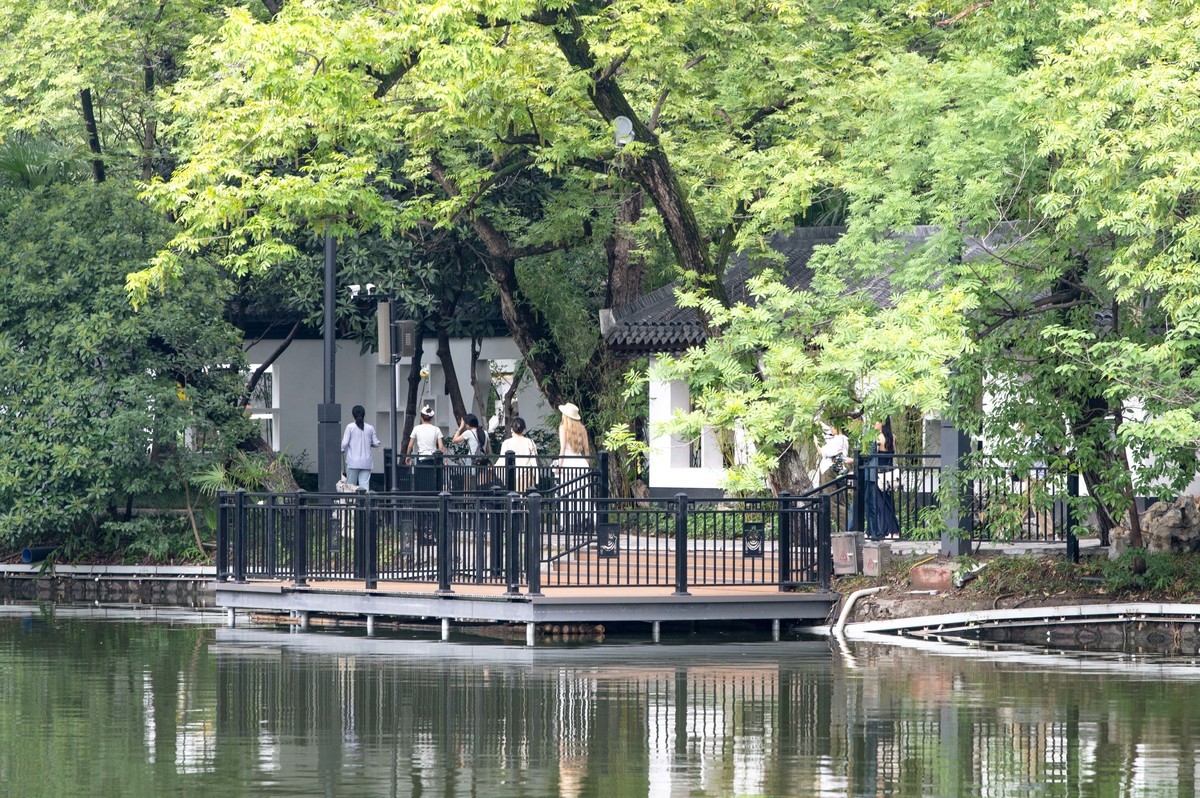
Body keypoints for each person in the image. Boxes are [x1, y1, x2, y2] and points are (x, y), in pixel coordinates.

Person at [557, 402, 593, 535]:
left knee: (566, 493)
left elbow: (562, 449)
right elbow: (587, 449)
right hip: (580, 463)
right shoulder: (582, 429)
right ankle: (584, 521)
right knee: (582, 494)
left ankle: (566, 523)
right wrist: (586, 463)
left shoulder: (563, 428)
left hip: (567, 463)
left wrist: (559, 466)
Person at [865, 418, 901, 540]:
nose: (874, 424)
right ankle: (890, 530)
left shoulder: (878, 438)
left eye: (876, 421)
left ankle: (890, 530)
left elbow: (871, 454)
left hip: (879, 474)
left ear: (881, 423)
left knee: (880, 504)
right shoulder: (892, 437)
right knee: (888, 502)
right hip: (889, 472)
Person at [406, 404, 446, 492]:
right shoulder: (436, 429)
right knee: (433, 480)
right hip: (433, 458)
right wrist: (445, 459)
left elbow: (410, 445)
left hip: (421, 457)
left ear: (421, 417)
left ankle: (422, 497)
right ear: (432, 418)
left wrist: (408, 456)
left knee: (421, 480)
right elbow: (441, 447)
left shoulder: (416, 428)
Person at [340, 405, 381, 491]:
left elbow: (345, 443)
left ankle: (351, 500)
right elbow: (377, 443)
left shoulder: (350, 427)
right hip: (366, 462)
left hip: (353, 462)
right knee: (364, 487)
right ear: (364, 414)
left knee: (350, 486)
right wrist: (369, 444)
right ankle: (364, 500)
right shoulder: (370, 428)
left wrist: (342, 450)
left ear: (353, 415)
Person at [498, 416, 538, 492]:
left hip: (512, 475)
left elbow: (502, 461)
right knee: (527, 497)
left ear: (512, 429)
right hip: (527, 475)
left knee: (513, 496)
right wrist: (536, 478)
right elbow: (534, 461)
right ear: (523, 429)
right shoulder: (530, 442)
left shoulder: (507, 443)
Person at [453, 413, 490, 489]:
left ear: (467, 424)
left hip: (471, 460)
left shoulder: (468, 433)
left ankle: (467, 497)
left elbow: (454, 440)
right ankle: (481, 496)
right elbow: (488, 450)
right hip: (483, 460)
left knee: (467, 485)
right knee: (482, 485)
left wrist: (460, 428)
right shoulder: (485, 433)